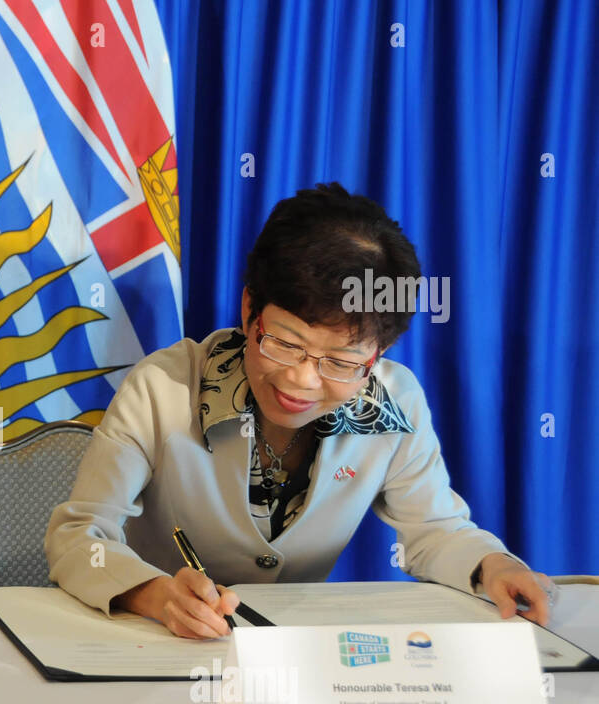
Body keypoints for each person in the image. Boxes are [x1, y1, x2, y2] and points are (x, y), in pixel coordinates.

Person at [45, 182, 552, 639]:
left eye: (341, 361)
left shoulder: (395, 403)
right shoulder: (164, 387)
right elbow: (79, 536)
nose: (301, 380)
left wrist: (494, 565)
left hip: (295, 660)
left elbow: (437, 530)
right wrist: (152, 595)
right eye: (285, 344)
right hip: (153, 643)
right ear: (250, 310)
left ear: (376, 357)